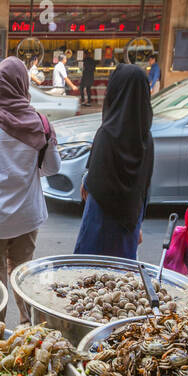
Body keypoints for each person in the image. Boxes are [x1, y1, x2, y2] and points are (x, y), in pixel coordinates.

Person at [0, 57, 61, 320]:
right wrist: (31, 167)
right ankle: (29, 332)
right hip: (27, 219)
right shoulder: (41, 124)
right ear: (23, 85)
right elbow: (53, 168)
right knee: (22, 276)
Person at [74, 64, 155, 260]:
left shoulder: (107, 133)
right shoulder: (146, 138)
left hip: (99, 224)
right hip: (129, 224)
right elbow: (143, 187)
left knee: (89, 275)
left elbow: (93, 184)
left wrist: (86, 181)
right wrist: (138, 223)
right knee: (121, 279)